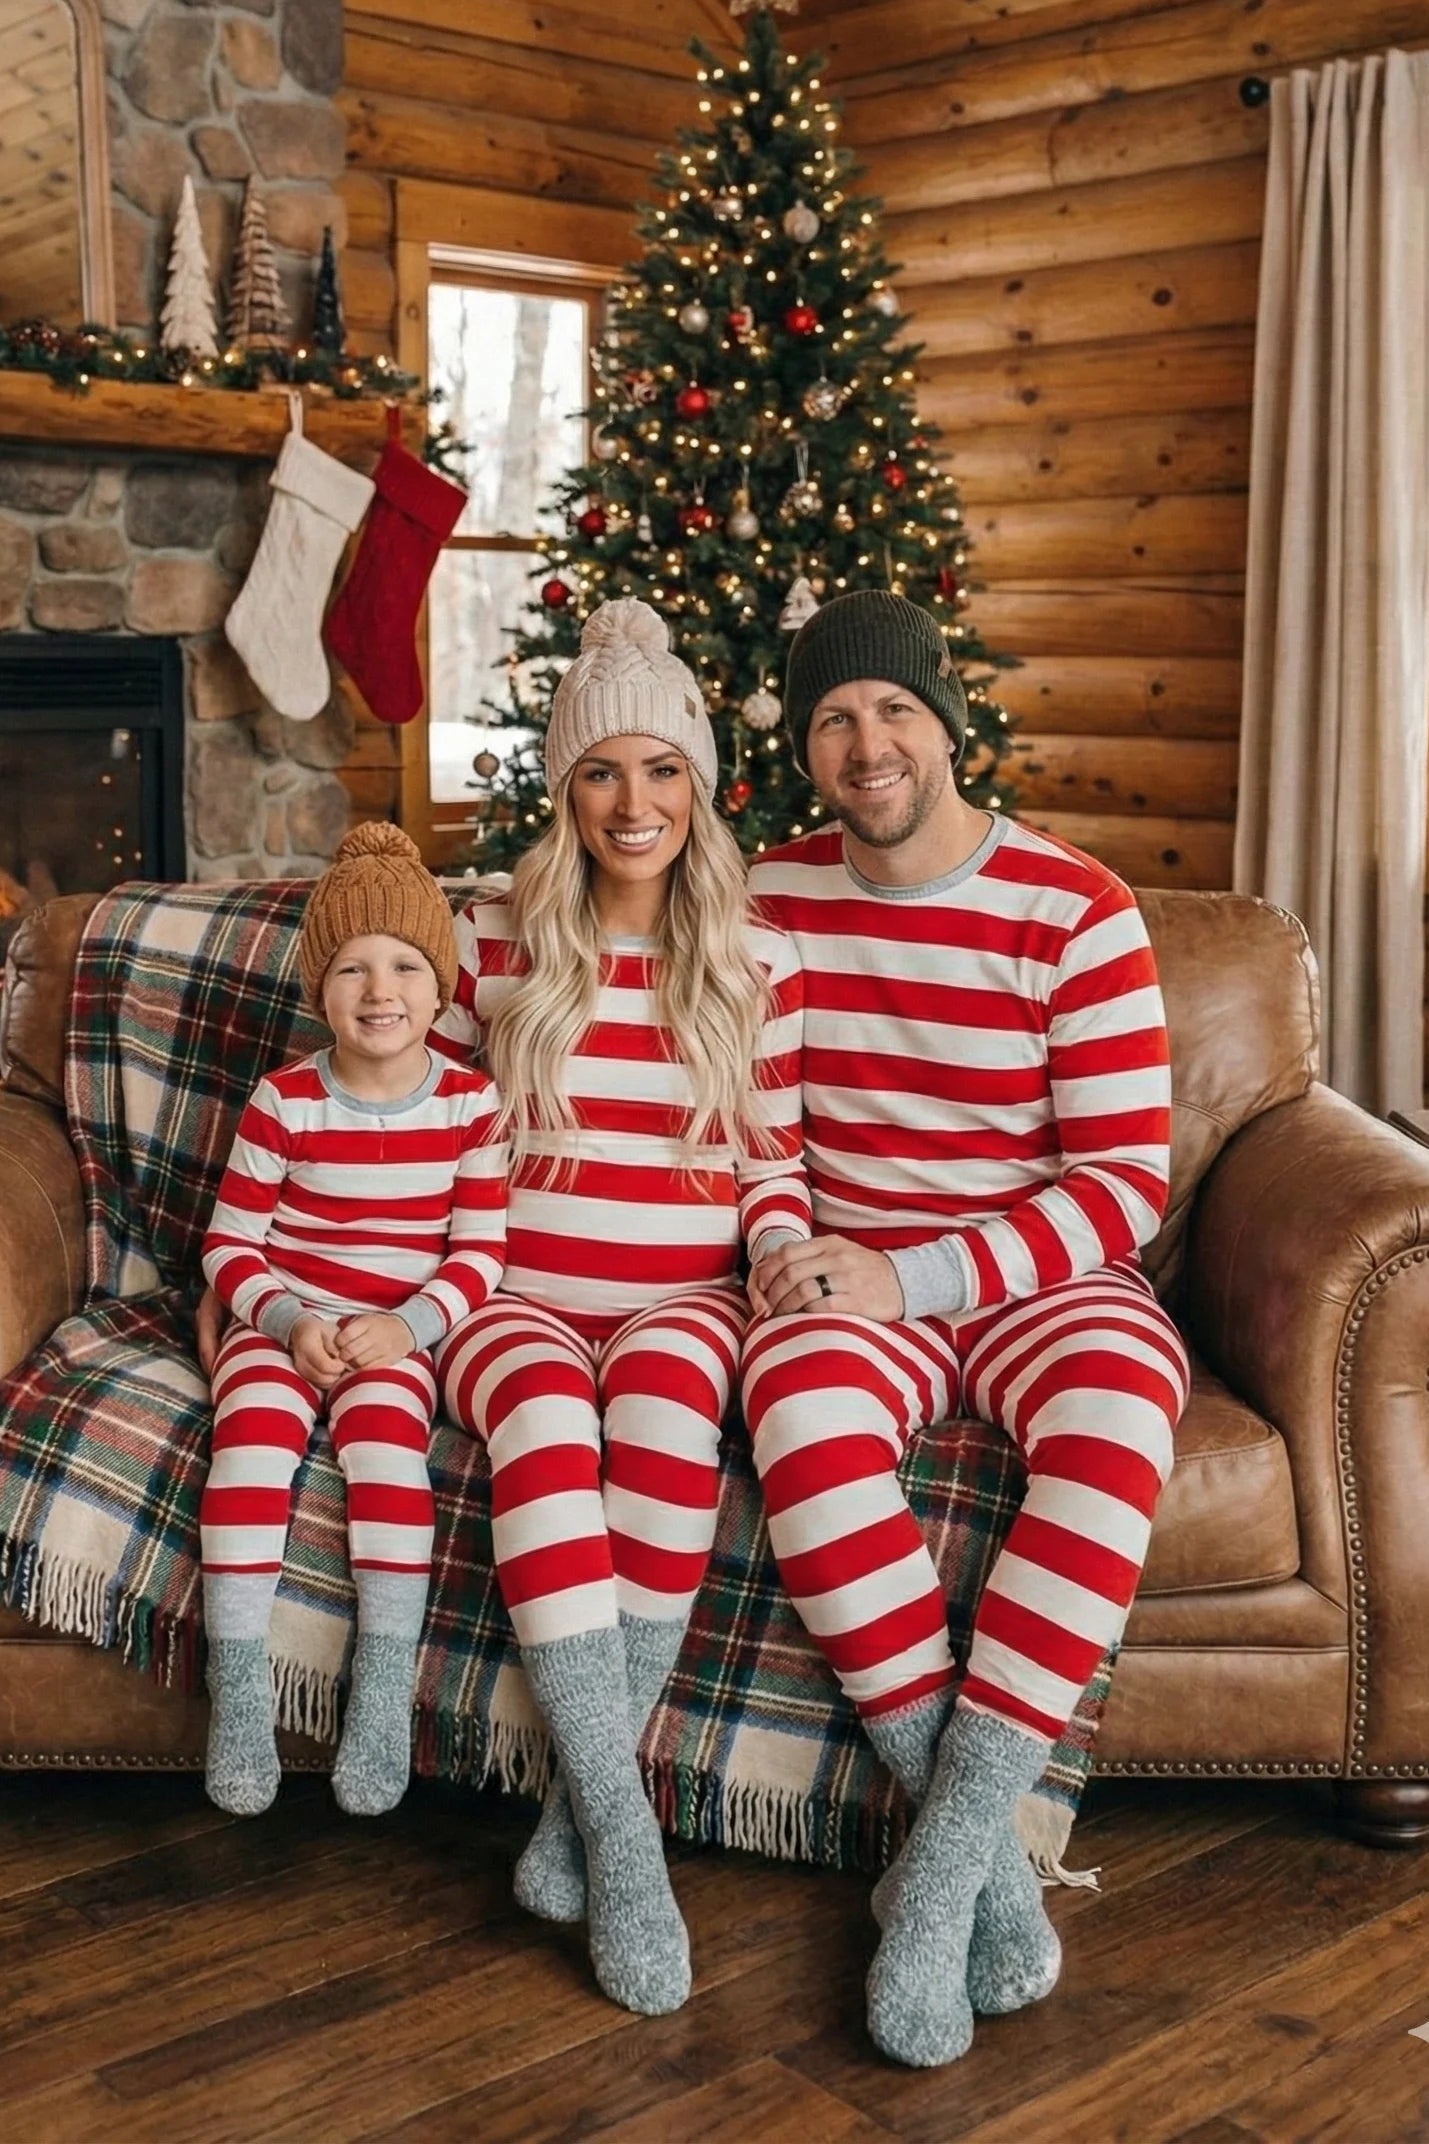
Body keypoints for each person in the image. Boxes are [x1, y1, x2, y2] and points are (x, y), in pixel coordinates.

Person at [742, 588, 1190, 2069]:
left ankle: (930, 1880)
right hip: (848, 1274)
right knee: (796, 1413)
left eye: (890, 712)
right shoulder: (767, 899)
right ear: (804, 750)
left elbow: (1124, 1179)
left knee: (1123, 1414)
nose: (865, 744)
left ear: (943, 724)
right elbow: (750, 1128)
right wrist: (797, 1244)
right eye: (831, 721)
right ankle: (985, 1860)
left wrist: (924, 1275)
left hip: (1032, 1278)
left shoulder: (1076, 907)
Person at [430, 597, 807, 2019]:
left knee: (662, 1430)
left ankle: (570, 1826)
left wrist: (778, 1266)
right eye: (599, 772)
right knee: (534, 1423)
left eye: (658, 770)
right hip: (511, 1291)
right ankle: (625, 1840)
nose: (629, 802)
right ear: (561, 789)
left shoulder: (764, 963)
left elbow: (774, 1168)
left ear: (697, 785)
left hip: (686, 1303)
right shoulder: (487, 940)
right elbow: (418, 1130)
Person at [198, 823, 507, 1822]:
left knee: (390, 1471)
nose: (382, 991)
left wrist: (408, 1330)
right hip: (280, 1325)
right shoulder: (284, 1101)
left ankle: (380, 1694)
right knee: (247, 1454)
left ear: (442, 984)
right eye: (353, 969)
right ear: (317, 989)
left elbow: (479, 1257)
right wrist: (284, 1319)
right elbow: (229, 1246)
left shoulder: (470, 1105)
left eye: (408, 966)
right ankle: (239, 1694)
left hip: (393, 1337)